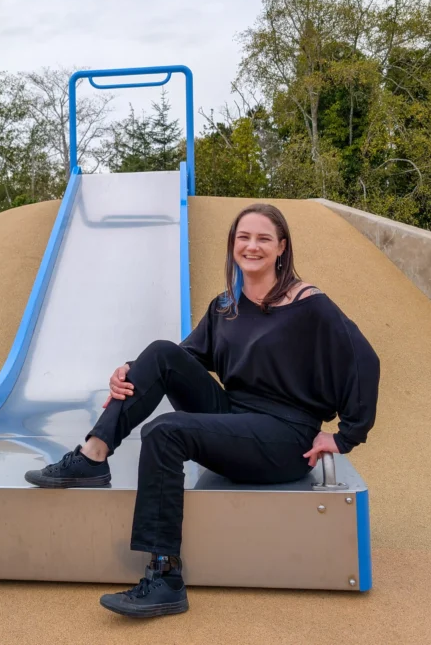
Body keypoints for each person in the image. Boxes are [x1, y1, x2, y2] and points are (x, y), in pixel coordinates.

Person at [24, 203, 380, 618]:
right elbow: (181, 359)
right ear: (232, 247)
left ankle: (165, 577)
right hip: (233, 417)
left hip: (284, 436)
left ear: (282, 247)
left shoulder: (309, 305)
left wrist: (343, 436)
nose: (252, 246)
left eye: (264, 238)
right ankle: (93, 456)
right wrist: (129, 370)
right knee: (158, 352)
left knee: (165, 430)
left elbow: (363, 360)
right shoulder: (226, 306)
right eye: (243, 238)